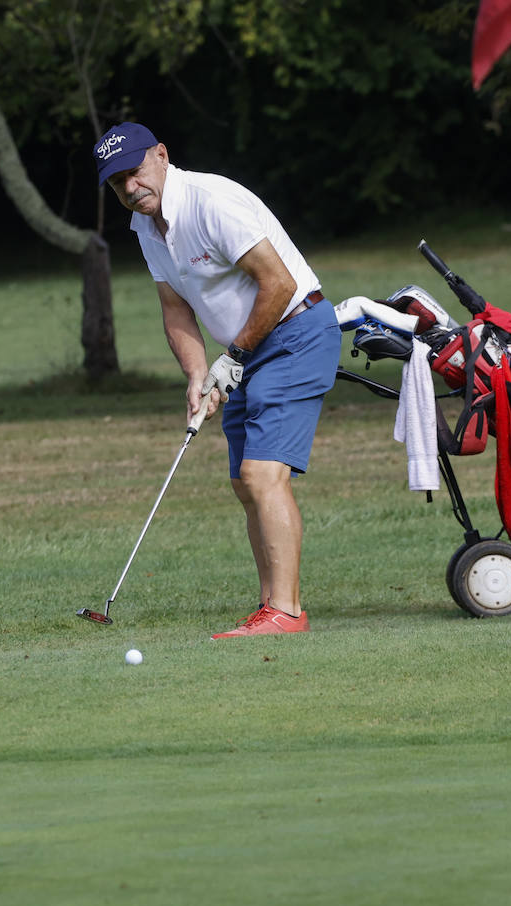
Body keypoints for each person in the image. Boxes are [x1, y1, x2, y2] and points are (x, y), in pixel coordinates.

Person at [93, 122, 341, 639]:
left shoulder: (210, 202)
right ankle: (272, 603)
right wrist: (197, 373)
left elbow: (280, 283)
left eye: (135, 172)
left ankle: (287, 613)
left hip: (295, 332)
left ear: (161, 155)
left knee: (261, 475)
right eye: (118, 183)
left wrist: (234, 356)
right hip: (246, 350)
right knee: (243, 483)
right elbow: (176, 308)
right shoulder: (145, 227)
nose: (131, 187)